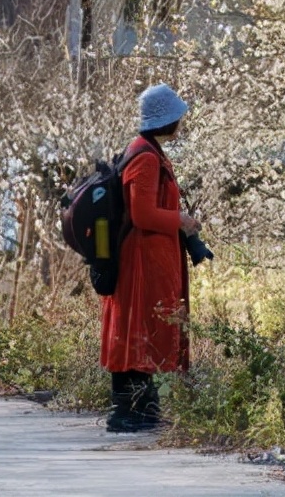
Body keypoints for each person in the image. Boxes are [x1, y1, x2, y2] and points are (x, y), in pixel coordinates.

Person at [99, 83, 201, 432]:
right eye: (178, 117)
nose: (181, 123)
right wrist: (180, 220)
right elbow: (142, 214)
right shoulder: (145, 157)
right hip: (139, 262)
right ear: (166, 119)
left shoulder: (147, 151)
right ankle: (128, 413)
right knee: (137, 329)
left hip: (146, 258)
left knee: (141, 328)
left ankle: (142, 411)